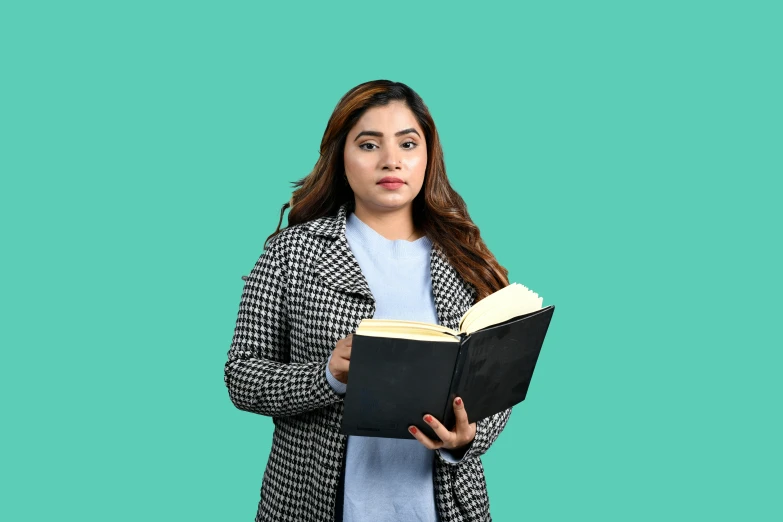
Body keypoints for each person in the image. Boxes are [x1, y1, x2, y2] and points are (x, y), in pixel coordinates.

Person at [224, 79, 512, 522]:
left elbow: (495, 385)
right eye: (369, 144)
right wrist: (327, 376)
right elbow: (243, 375)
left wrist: (467, 437)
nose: (391, 160)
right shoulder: (293, 252)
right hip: (313, 505)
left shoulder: (465, 257)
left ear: (428, 157)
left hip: (442, 507)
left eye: (408, 143)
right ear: (342, 157)